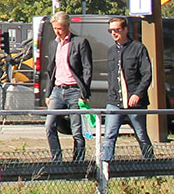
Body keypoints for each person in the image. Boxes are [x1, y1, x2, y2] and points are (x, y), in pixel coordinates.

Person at [37, 11, 94, 163]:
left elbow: (87, 68)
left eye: (60, 28)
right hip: (57, 89)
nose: (57, 31)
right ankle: (57, 159)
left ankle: (78, 161)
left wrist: (84, 92)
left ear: (67, 26)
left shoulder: (80, 42)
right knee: (49, 126)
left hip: (74, 90)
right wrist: (48, 94)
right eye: (55, 28)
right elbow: (51, 70)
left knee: (76, 129)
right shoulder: (53, 44)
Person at [100, 16, 154, 161]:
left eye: (117, 30)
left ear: (125, 30)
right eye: (111, 30)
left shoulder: (138, 48)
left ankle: (150, 164)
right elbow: (112, 77)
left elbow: (147, 74)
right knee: (109, 135)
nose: (114, 33)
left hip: (135, 102)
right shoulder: (111, 51)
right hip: (115, 102)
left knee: (141, 134)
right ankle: (105, 166)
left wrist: (137, 94)